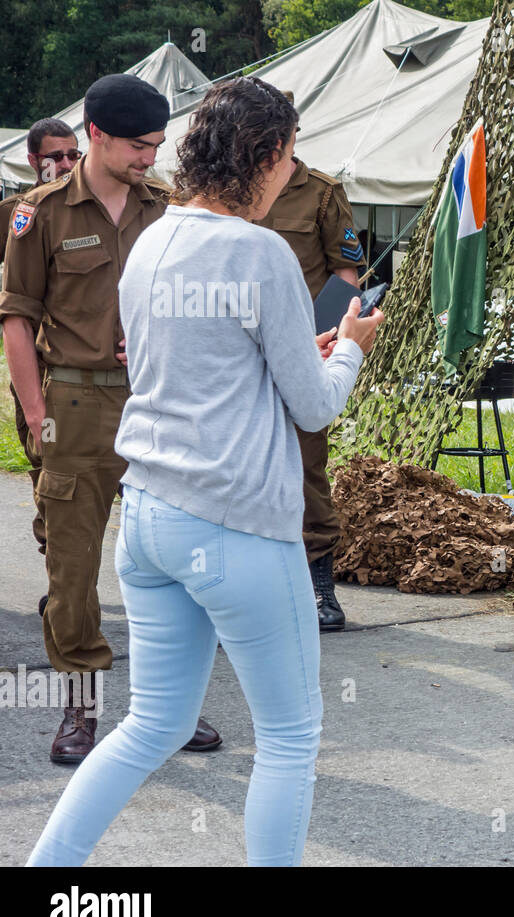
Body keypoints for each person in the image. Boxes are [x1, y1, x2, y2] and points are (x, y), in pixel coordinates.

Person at [25, 76, 383, 867]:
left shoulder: (153, 237)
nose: (291, 174)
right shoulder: (262, 252)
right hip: (238, 525)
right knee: (290, 737)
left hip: (149, 518)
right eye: (288, 159)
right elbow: (314, 408)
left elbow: (197, 362)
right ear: (265, 156)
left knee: (149, 724)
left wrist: (301, 353)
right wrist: (351, 341)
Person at [0, 76, 221, 763]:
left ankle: (174, 707)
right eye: (137, 145)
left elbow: (208, 299)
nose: (148, 158)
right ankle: (80, 705)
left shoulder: (174, 211)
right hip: (75, 403)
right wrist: (36, 415)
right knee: (73, 566)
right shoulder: (39, 215)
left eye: (157, 145)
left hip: (162, 402)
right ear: (96, 134)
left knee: (182, 560)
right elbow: (16, 316)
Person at [252, 89, 368, 633]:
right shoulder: (229, 188)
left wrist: (325, 336)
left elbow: (347, 271)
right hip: (243, 351)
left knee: (305, 466)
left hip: (303, 349)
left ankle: (320, 581)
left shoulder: (319, 193)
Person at [1, 117, 82, 560]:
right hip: (36, 368)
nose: (67, 164)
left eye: (74, 154)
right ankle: (58, 566)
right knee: (46, 464)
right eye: (56, 157)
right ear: (34, 161)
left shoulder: (97, 208)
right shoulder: (20, 212)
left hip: (87, 369)